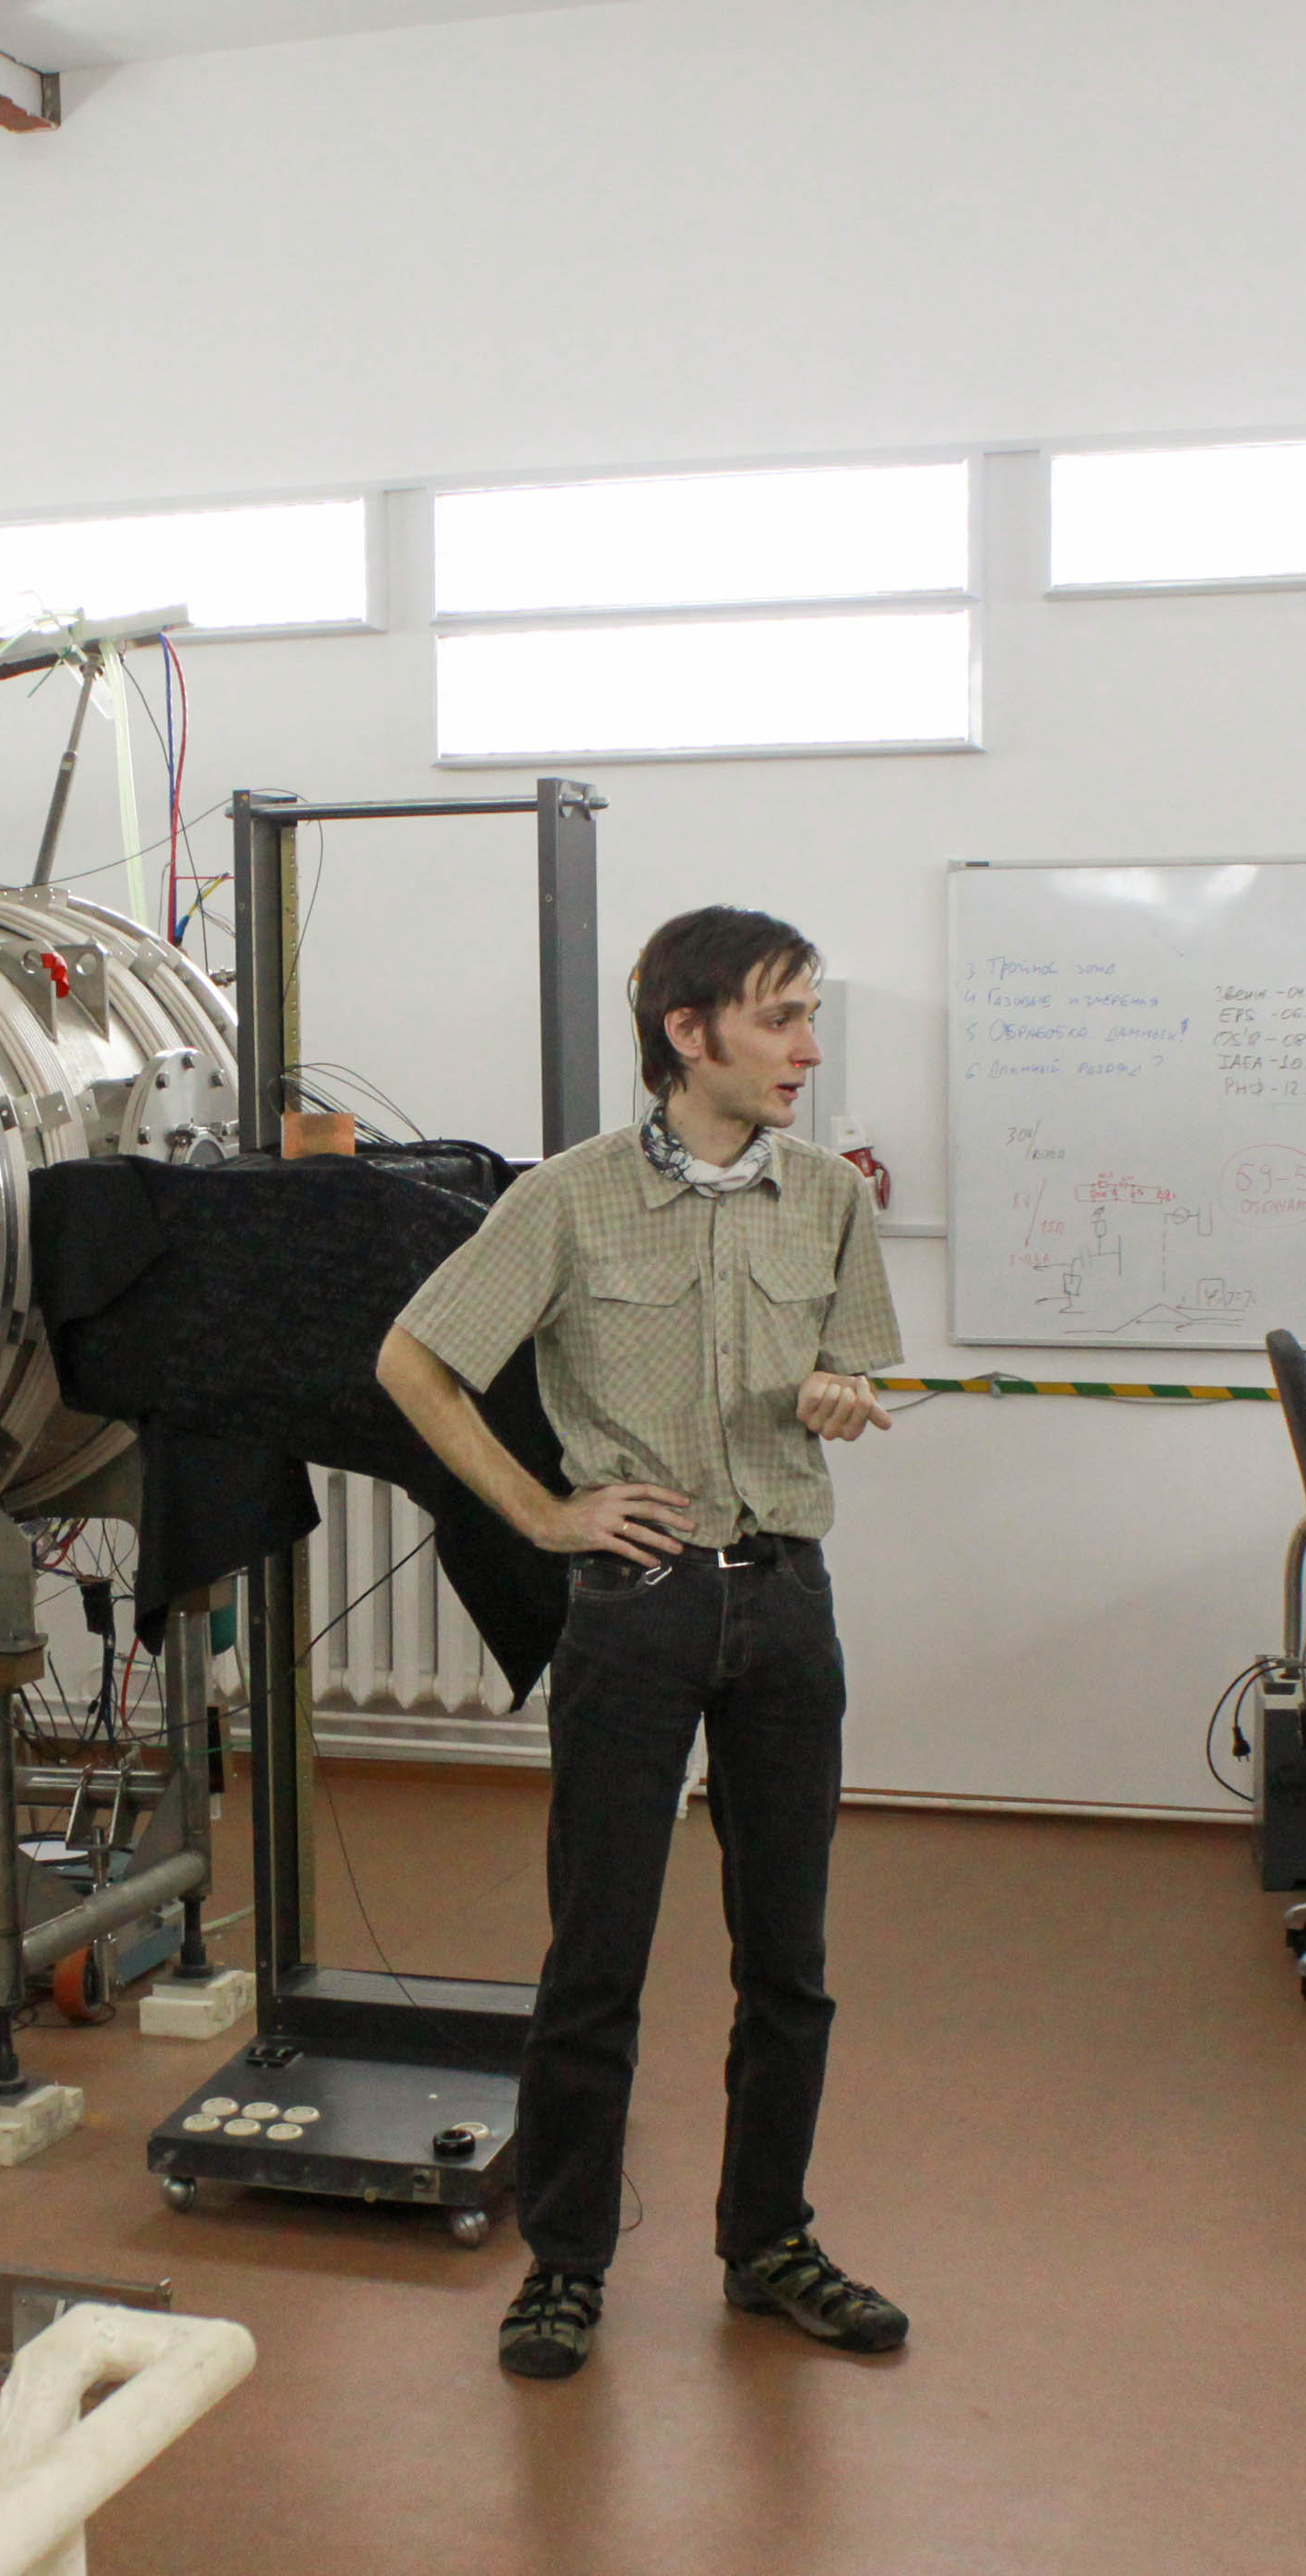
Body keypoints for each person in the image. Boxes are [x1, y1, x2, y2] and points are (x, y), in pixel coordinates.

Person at [378, 905, 907, 2382]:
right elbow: (412, 1361)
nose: (808, 1050)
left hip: (786, 1602)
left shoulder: (827, 1198)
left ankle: (770, 2243)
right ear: (689, 1031)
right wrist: (543, 1513)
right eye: (781, 1018)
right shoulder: (569, 1199)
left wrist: (842, 1394)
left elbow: (856, 1367)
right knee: (596, 1958)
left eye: (810, 1017)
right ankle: (565, 2262)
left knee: (789, 1962)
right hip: (638, 1606)